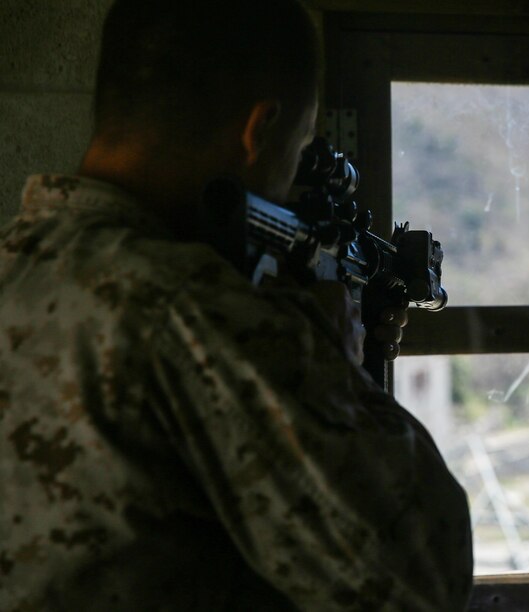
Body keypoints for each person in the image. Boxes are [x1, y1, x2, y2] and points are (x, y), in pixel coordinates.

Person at [0, 0, 473, 609]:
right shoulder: (191, 307)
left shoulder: (18, 260)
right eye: (301, 146)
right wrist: (333, 358)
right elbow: (423, 573)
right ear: (258, 129)